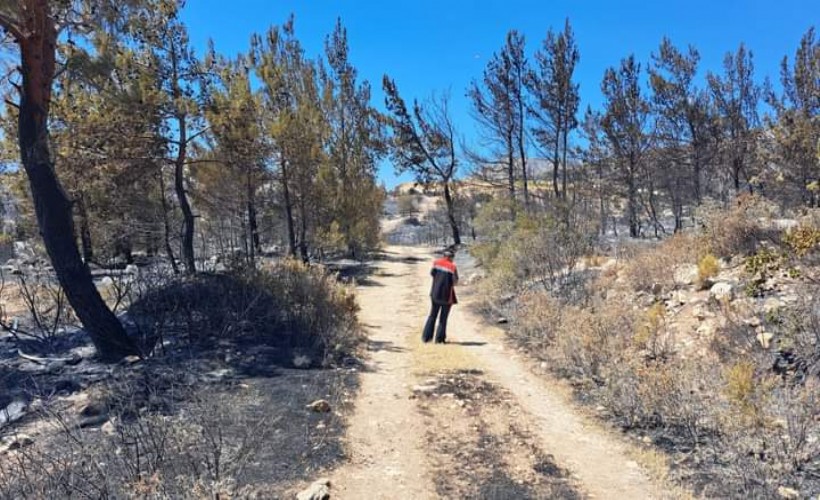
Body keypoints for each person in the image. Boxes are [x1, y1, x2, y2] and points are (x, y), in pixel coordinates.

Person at [422, 248, 458, 344]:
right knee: (443, 318)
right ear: (450, 257)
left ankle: (426, 337)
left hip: (434, 294)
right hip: (447, 296)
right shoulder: (453, 267)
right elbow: (455, 282)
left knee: (432, 315)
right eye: (453, 257)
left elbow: (432, 274)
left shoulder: (436, 263)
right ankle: (439, 339)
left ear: (443, 256)